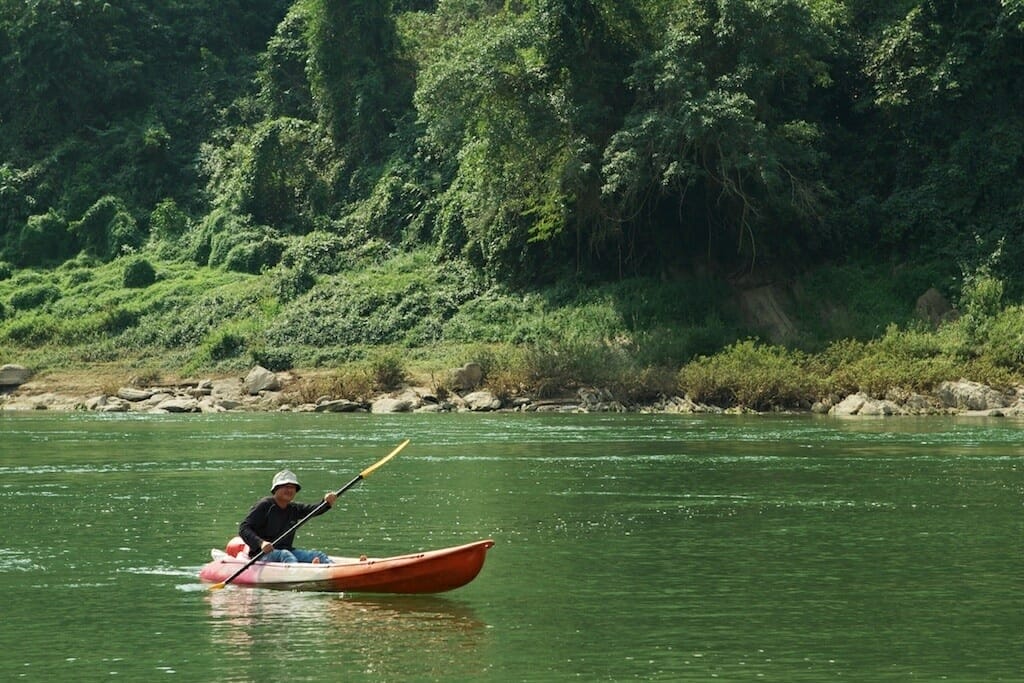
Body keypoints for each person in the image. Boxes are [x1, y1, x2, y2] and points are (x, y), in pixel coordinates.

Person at [238, 469, 338, 564]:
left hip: (287, 551)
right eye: (285, 486)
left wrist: (326, 502)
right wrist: (261, 543)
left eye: (292, 487)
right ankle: (300, 573)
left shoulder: (294, 508)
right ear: (276, 489)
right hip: (262, 554)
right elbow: (244, 528)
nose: (289, 490)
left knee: (318, 555)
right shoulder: (265, 505)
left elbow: (314, 510)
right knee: (286, 555)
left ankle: (329, 570)